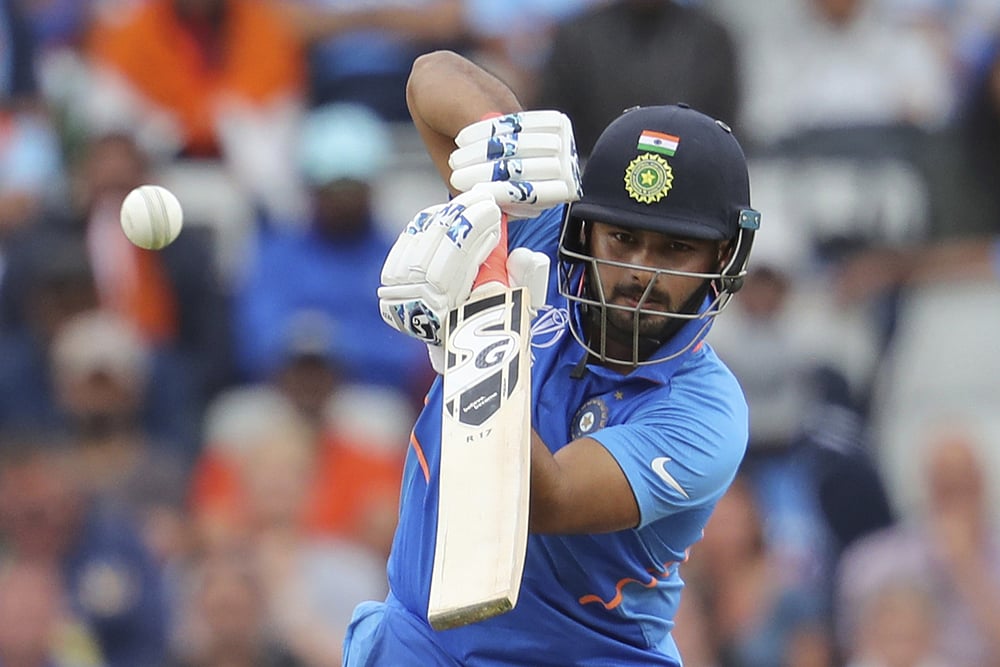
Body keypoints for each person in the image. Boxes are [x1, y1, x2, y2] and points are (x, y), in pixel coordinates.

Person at [344, 49, 760, 665]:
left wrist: (478, 334)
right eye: (622, 238)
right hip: (420, 641)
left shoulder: (707, 413)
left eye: (675, 250)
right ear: (585, 228)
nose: (639, 273)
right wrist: (506, 142)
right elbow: (431, 79)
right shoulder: (545, 234)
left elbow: (543, 499)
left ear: (723, 258)